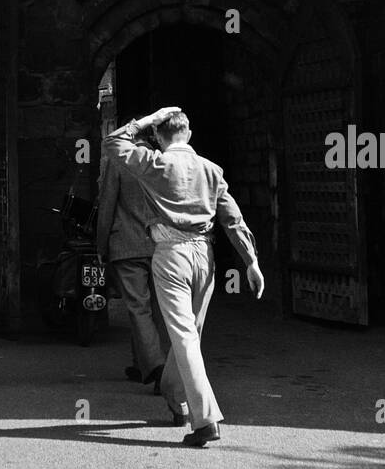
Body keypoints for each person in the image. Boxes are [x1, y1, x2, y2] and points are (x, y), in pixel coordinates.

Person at [106, 105, 264, 448]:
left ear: (160, 138)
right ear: (188, 134)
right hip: (205, 256)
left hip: (171, 254)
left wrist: (147, 120)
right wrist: (251, 261)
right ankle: (176, 399)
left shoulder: (155, 163)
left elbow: (113, 143)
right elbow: (233, 220)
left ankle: (205, 420)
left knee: (183, 336)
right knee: (189, 334)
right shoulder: (211, 169)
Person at [97, 131, 167, 394]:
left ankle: (157, 367)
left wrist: (100, 246)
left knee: (138, 309)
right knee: (161, 308)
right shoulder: (161, 161)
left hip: (126, 245)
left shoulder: (118, 163)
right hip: (162, 245)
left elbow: (106, 207)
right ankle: (142, 364)